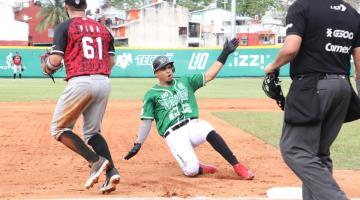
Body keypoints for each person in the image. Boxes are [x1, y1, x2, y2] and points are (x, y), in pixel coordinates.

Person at [263, 0, 360, 199]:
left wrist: (272, 66)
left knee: (294, 149)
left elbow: (291, 48)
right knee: (319, 153)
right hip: (342, 87)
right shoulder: (352, 13)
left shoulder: (302, 6)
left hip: (312, 86)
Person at [124, 38, 254, 180]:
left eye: (169, 67)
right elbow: (146, 123)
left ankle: (237, 166)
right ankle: (198, 167)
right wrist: (138, 144)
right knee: (191, 171)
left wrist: (225, 53)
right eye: (163, 69)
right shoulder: (151, 94)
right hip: (173, 135)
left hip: (192, 126)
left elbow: (209, 75)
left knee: (206, 127)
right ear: (156, 73)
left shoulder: (185, 81)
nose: (168, 71)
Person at [41, 0, 120, 194]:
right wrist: (98, 75)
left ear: (66, 7)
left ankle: (95, 161)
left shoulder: (64, 26)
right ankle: (112, 173)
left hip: (80, 81)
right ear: (85, 7)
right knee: (93, 132)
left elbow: (56, 60)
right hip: (104, 81)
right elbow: (111, 61)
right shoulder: (102, 28)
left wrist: (47, 66)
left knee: (59, 128)